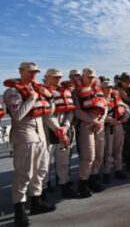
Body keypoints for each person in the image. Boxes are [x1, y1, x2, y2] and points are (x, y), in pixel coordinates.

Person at [3, 62, 56, 227]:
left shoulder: (37, 88)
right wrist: (33, 98)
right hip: (24, 136)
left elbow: (49, 111)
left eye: (35, 72)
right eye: (30, 71)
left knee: (40, 171)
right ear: (21, 72)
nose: (34, 74)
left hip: (40, 136)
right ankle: (19, 211)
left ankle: (36, 203)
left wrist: (49, 97)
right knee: (23, 174)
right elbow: (18, 115)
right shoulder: (13, 91)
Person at [71, 68, 108, 197]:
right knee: (88, 156)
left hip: (99, 125)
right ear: (83, 77)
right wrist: (93, 122)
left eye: (93, 77)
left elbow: (105, 106)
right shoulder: (76, 92)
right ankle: (83, 184)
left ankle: (93, 178)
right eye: (88, 77)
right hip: (86, 126)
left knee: (99, 155)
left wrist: (102, 121)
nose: (91, 79)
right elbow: (77, 111)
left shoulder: (97, 90)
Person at [42, 68, 78, 199]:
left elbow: (70, 110)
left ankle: (64, 186)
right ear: (47, 77)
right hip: (48, 134)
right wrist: (59, 130)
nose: (58, 79)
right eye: (55, 77)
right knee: (44, 165)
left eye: (60, 77)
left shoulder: (64, 91)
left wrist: (66, 126)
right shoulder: (42, 92)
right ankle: (42, 192)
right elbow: (47, 115)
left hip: (64, 130)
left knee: (63, 161)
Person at [101, 80, 130, 184]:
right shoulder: (100, 100)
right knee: (108, 152)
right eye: (106, 87)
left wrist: (126, 117)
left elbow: (127, 108)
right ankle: (106, 172)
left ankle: (118, 169)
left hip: (119, 126)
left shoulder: (115, 98)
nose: (109, 89)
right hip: (109, 128)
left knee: (119, 149)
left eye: (110, 87)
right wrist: (109, 120)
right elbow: (99, 115)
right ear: (102, 89)